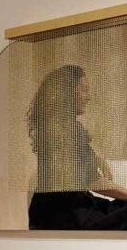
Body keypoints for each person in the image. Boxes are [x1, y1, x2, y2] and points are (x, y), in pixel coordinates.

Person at [27, 64, 127, 229]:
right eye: (83, 89)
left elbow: (74, 165)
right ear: (67, 92)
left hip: (42, 212)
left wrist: (97, 159)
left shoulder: (51, 128)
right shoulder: (71, 130)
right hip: (70, 215)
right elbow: (93, 181)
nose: (88, 97)